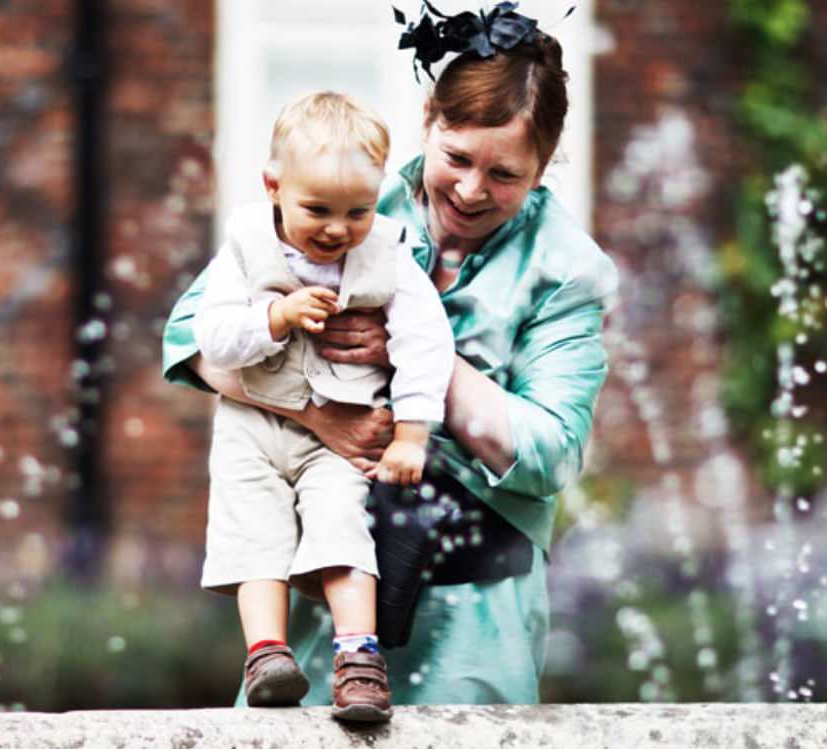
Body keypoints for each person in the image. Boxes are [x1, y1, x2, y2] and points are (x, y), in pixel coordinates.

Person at [163, 3, 618, 706]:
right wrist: (319, 419)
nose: (471, 190)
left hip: (474, 592)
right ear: (428, 122)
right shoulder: (346, 202)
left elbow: (551, 452)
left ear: (545, 165)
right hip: (332, 571)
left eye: (505, 174)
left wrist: (419, 362)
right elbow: (190, 336)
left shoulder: (566, 269)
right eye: (457, 158)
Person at [190, 91, 454, 722]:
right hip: (253, 429)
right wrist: (275, 318)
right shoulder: (246, 249)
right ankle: (267, 656)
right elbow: (211, 338)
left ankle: (359, 660)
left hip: (338, 440)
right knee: (253, 530)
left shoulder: (385, 254)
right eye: (318, 210)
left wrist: (412, 434)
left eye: (357, 211)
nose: (338, 229)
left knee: (342, 523)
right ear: (273, 187)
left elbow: (426, 341)